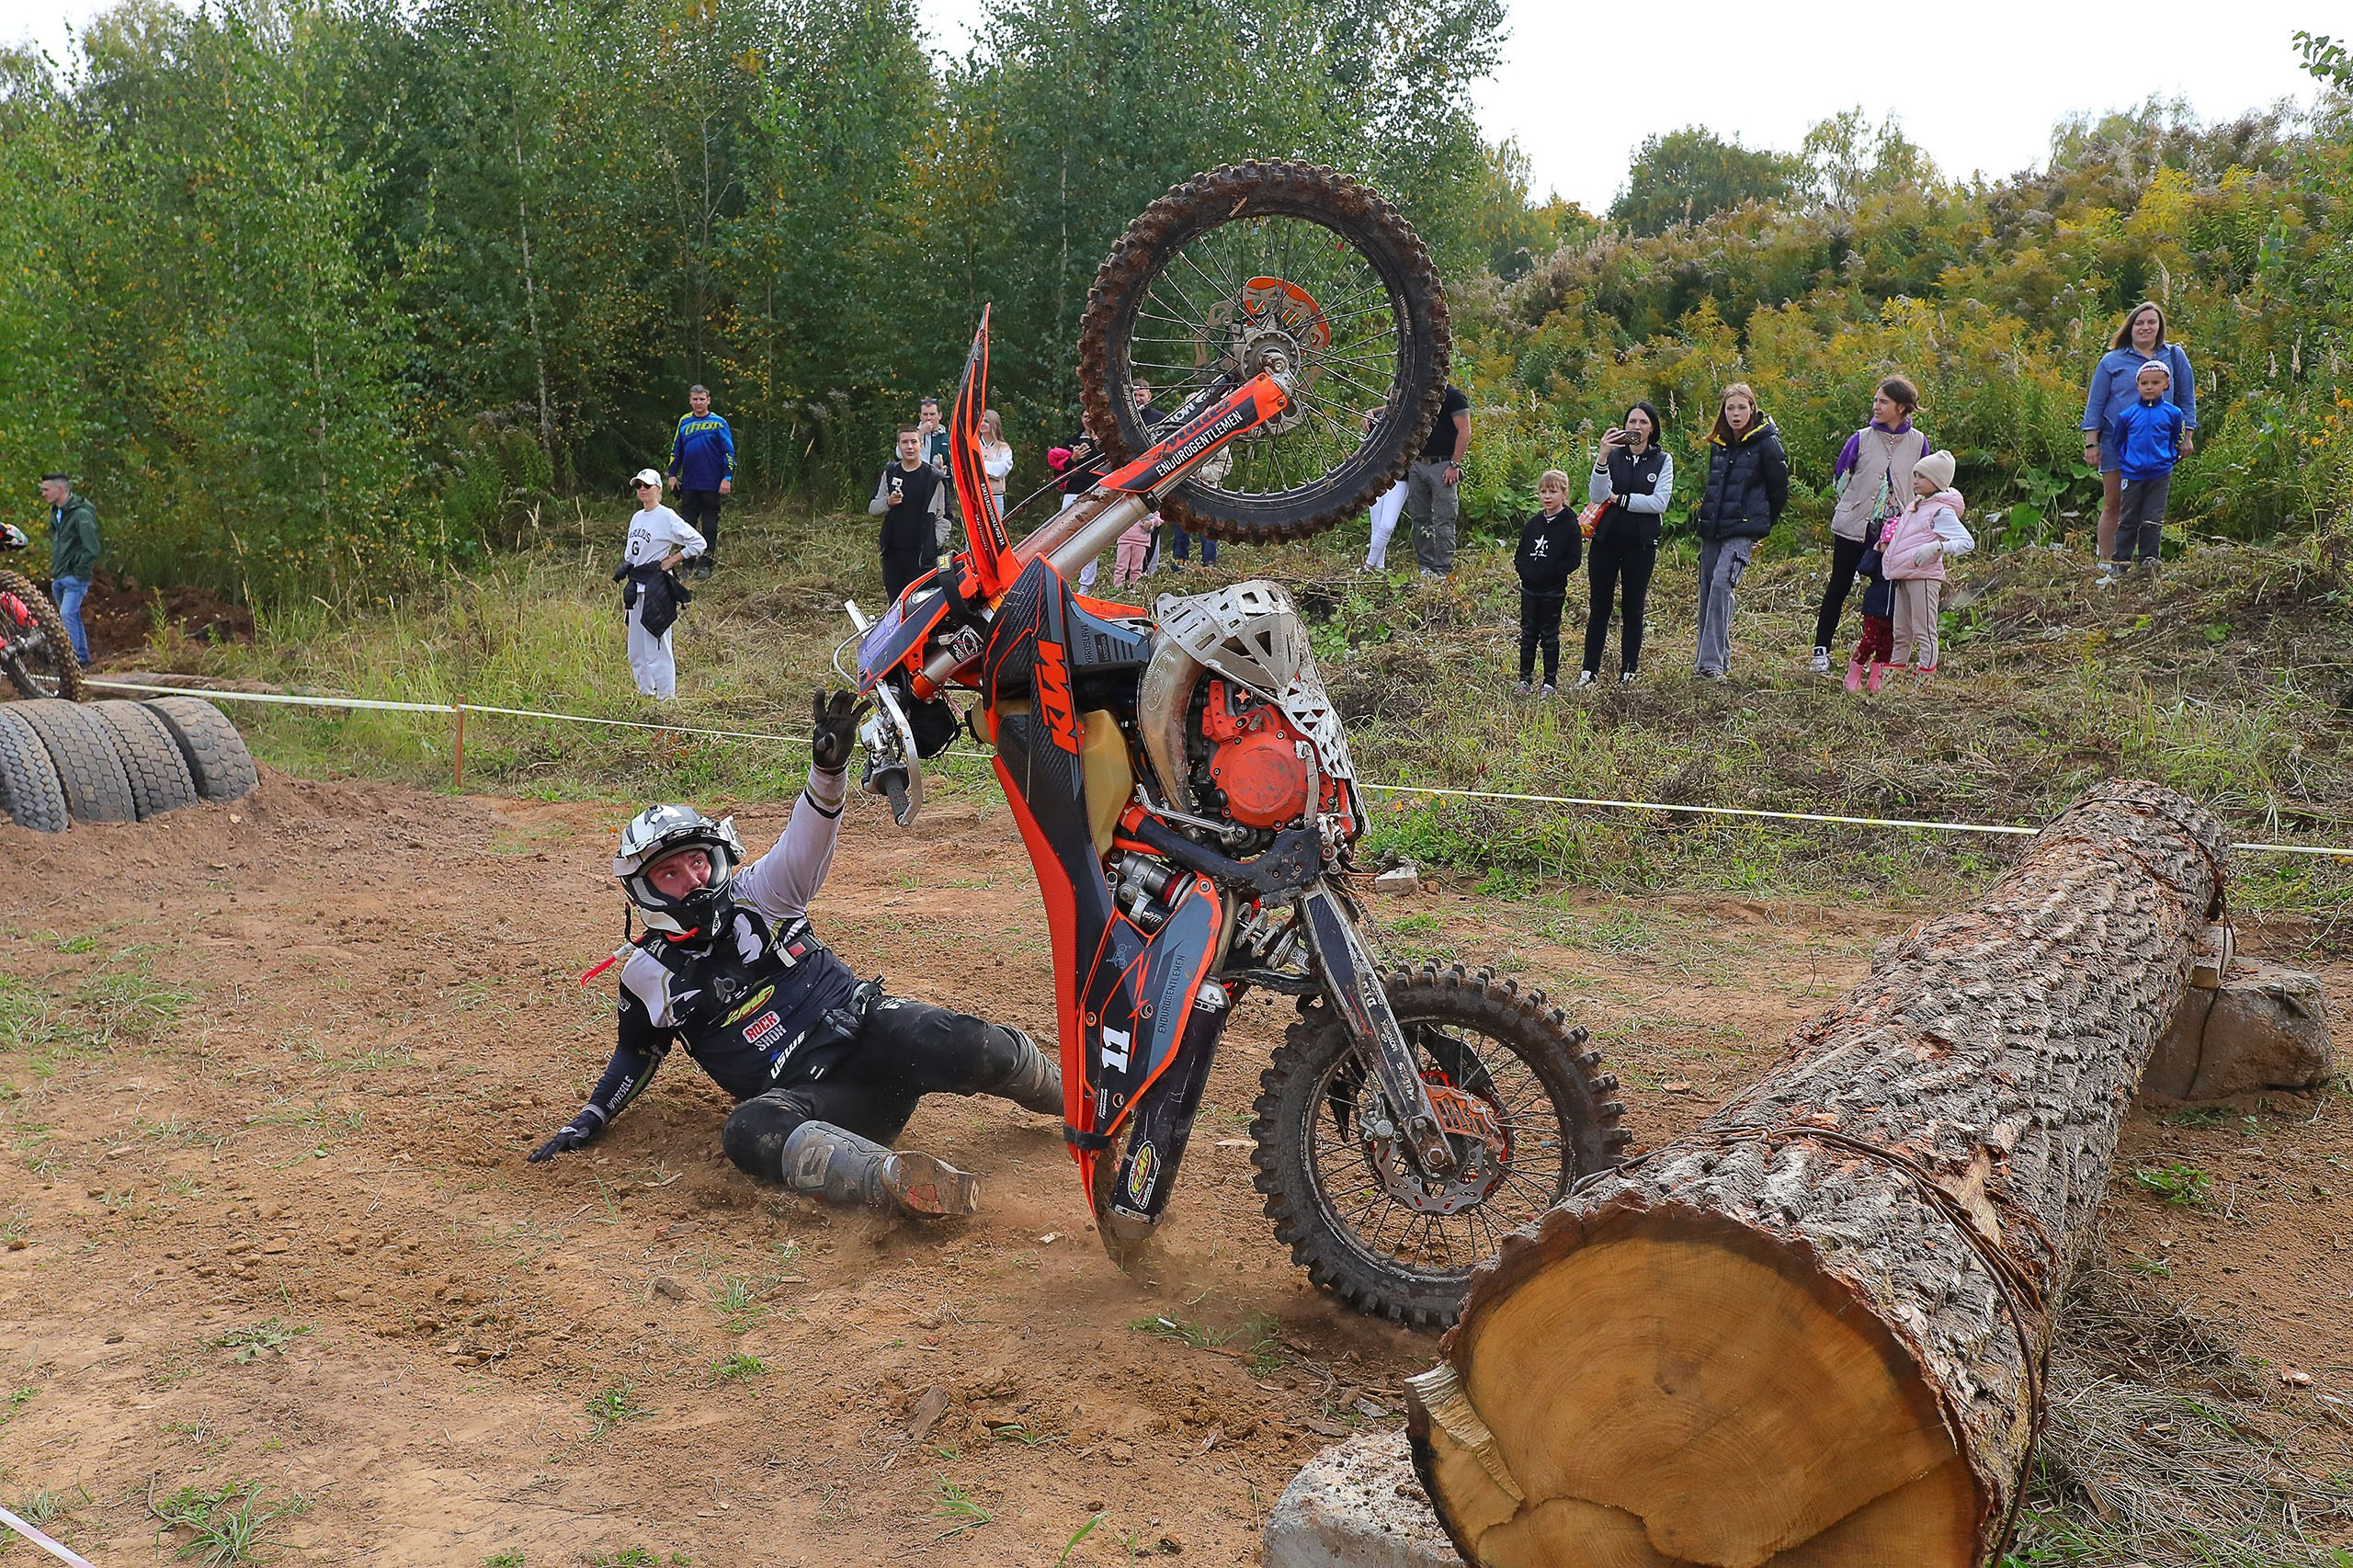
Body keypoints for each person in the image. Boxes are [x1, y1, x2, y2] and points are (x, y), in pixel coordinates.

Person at [527, 692, 1063, 1220]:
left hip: (871, 1038)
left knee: (945, 1035)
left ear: (718, 859)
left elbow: (806, 839)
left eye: (697, 863)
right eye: (670, 873)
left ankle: (1076, 1100)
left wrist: (827, 771)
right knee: (745, 1129)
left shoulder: (763, 892)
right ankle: (895, 1181)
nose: (691, 880)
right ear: (645, 892)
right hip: (818, 1110)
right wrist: (592, 1116)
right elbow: (637, 1053)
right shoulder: (647, 975)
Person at [1810, 377, 1929, 672]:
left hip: (1894, 533)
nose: (1875, 406)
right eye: (1875, 400)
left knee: (1887, 594)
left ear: (1901, 408)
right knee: (1838, 586)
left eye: (1883, 402)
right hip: (1854, 526)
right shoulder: (1860, 438)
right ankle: (1820, 650)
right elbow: (1841, 478)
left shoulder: (1918, 442)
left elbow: (1924, 485)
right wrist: (1856, 504)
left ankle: (1882, 658)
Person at [2083, 303, 2195, 565]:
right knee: (2114, 503)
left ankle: (2147, 560)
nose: (2145, 327)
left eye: (2151, 322)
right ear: (2130, 327)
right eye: (2139, 323)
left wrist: (2187, 436)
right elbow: (2096, 403)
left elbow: (2186, 399)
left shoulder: (2175, 356)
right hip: (2115, 441)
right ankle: (2108, 562)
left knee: (2151, 506)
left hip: (2157, 445)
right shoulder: (2112, 361)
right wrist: (2091, 443)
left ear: (2160, 327)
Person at [1690, 384, 1789, 680]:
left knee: (1722, 585)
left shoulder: (1767, 443)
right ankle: (1713, 660)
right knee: (1708, 592)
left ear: (1752, 409)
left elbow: (1779, 488)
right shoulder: (1718, 444)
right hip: (1713, 528)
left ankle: (1710, 665)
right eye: (1730, 408)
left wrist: (1762, 523)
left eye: (1741, 408)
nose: (1736, 414)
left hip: (1743, 528)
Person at [1579, 401, 1671, 686]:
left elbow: (1659, 502)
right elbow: (1597, 494)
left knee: (1633, 608)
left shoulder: (1662, 460)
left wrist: (1620, 499)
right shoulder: (1614, 456)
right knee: (1599, 607)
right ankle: (1588, 672)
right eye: (1632, 422)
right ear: (1624, 426)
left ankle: (1628, 672)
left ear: (1652, 428)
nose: (1636, 427)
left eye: (1643, 422)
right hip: (1606, 541)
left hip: (1641, 543)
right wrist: (1603, 455)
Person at [1880, 449, 1972, 682]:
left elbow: (1966, 542)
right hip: (1903, 575)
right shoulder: (1916, 506)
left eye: (1921, 476)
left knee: (1924, 631)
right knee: (1901, 631)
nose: (1915, 481)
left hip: (1923, 576)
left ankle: (1924, 681)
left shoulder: (1941, 511)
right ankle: (1895, 680)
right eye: (1915, 475)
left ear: (1937, 481)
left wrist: (1936, 548)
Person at [618, 469, 705, 701]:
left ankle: (666, 700)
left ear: (658, 488)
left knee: (657, 647)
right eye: (639, 486)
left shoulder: (666, 516)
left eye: (647, 485)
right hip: (635, 587)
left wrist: (672, 560)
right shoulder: (636, 518)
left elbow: (698, 542)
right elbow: (630, 557)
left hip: (655, 588)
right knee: (636, 651)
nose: (643, 490)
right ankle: (645, 693)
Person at [2102, 359, 2189, 582]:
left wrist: (2168, 457)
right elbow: (2118, 440)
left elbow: (2175, 439)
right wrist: (2129, 461)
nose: (2149, 387)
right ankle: (2120, 562)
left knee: (2152, 518)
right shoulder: (2127, 416)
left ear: (2166, 385)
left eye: (2155, 383)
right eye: (2144, 383)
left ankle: (2149, 562)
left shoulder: (2174, 414)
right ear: (2137, 385)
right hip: (2132, 474)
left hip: (2160, 474)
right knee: (2128, 517)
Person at [1513, 469, 1582, 696]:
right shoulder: (1534, 523)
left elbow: (1573, 559)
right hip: (1529, 589)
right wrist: (1526, 573)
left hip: (1553, 590)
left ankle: (1549, 683)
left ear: (1564, 493)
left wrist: (1551, 573)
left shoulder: (1570, 524)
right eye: (1543, 492)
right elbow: (1521, 553)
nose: (1547, 497)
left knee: (1549, 636)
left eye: (1553, 491)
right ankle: (1525, 680)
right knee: (1528, 634)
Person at [870, 426, 948, 601]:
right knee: (896, 603)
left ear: (921, 444)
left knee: (919, 605)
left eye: (914, 442)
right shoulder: (890, 473)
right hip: (893, 555)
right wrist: (888, 502)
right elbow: (873, 508)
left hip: (922, 557)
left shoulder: (933, 478)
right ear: (899, 446)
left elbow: (944, 517)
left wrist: (933, 544)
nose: (909, 447)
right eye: (905, 442)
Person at [665, 385, 734, 580]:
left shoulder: (719, 423)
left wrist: (727, 477)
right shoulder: (684, 422)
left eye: (702, 399)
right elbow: (676, 450)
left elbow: (728, 452)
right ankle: (686, 564)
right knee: (686, 525)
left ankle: (706, 564)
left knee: (710, 526)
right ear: (690, 401)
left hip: (712, 484)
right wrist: (672, 474)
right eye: (695, 399)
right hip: (689, 483)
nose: (698, 403)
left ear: (708, 400)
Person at [1407, 383, 1472, 578]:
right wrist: (1372, 412)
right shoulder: (1418, 392)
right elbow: (1395, 406)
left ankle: (1443, 568)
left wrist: (1454, 465)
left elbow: (1465, 431)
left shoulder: (1453, 396)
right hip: (1418, 462)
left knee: (1444, 518)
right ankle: (1425, 565)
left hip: (1443, 464)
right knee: (1420, 516)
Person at [39, 474, 96, 667]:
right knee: (73, 616)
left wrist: (78, 571)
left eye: (46, 489)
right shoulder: (56, 513)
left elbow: (92, 548)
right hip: (59, 576)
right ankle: (81, 658)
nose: (43, 493)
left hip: (74, 577)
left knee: (67, 615)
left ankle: (69, 662)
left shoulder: (81, 515)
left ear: (60, 489)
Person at [1843, 512, 1897, 695]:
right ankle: (1853, 674)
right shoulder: (1877, 561)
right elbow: (1863, 568)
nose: (1889, 549)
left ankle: (1876, 680)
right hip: (1874, 610)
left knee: (1886, 646)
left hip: (1893, 613)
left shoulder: (1900, 565)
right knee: (1869, 642)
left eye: (1893, 545)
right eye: (1886, 544)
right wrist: (1874, 551)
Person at [976, 408, 1014, 521]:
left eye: (987, 421)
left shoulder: (1003, 447)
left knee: (995, 527)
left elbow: (1003, 469)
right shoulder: (974, 446)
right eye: (981, 421)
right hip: (976, 495)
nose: (982, 424)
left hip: (995, 496)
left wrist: (982, 467)